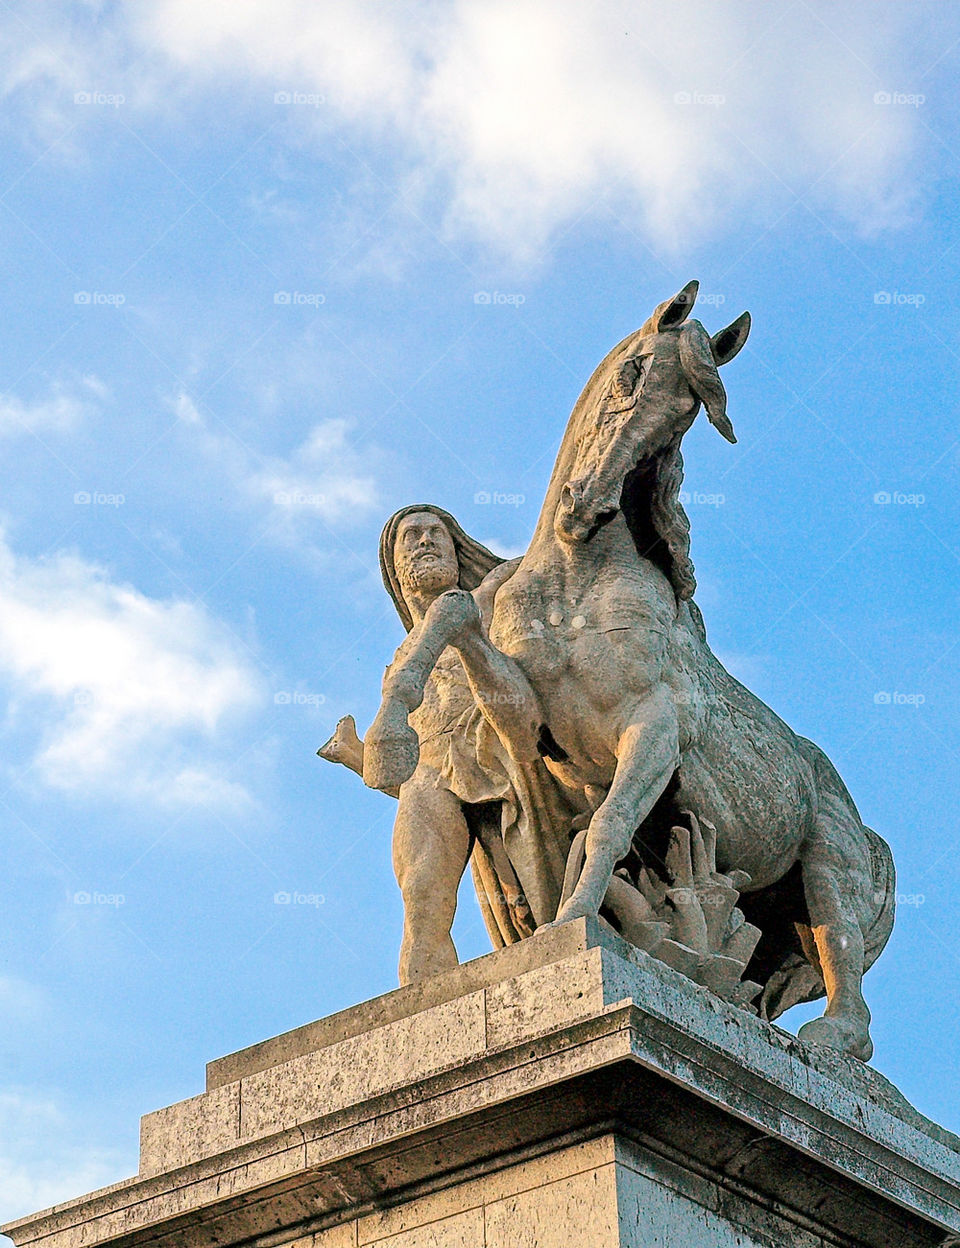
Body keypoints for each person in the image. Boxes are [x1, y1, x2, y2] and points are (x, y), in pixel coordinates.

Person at [321, 505, 548, 982]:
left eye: (436, 534)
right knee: (422, 902)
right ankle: (420, 1018)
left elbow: (554, 556)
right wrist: (356, 756)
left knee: (538, 910)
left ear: (457, 548)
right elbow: (396, 773)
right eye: (412, 537)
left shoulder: (493, 594)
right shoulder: (401, 657)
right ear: (395, 567)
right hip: (430, 775)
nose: (425, 541)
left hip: (502, 757)